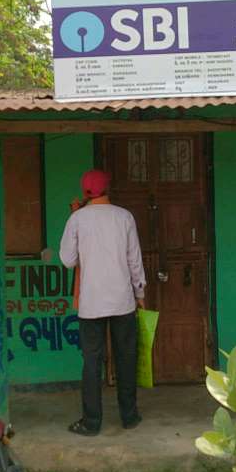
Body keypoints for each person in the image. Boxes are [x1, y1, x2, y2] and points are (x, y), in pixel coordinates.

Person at [59, 169, 146, 436]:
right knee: (126, 358)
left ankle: (91, 422)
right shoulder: (124, 217)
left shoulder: (77, 219)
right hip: (123, 301)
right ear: (108, 188)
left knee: (91, 362)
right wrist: (140, 292)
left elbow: (67, 260)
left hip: (91, 303)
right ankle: (129, 416)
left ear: (85, 191)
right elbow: (134, 259)